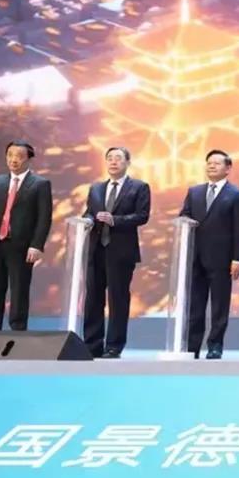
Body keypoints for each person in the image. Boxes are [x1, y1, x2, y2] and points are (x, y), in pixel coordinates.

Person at [81, 147, 150, 359]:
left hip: (121, 251)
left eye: (118, 158)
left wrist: (115, 220)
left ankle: (114, 346)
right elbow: (89, 213)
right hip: (96, 251)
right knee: (93, 298)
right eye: (109, 158)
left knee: (118, 299)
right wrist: (86, 221)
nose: (113, 162)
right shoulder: (96, 188)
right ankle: (92, 344)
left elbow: (142, 216)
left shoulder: (139, 187)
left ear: (128, 162)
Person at [0, 141, 53, 331]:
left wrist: (37, 245)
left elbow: (44, 217)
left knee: (19, 291)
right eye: (10, 155)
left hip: (22, 247)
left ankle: (17, 331)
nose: (13, 159)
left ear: (29, 159)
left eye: (19, 156)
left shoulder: (40, 184)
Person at [180, 150, 239, 359]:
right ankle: (192, 346)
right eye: (209, 163)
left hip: (222, 260)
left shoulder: (237, 195)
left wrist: (238, 258)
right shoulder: (194, 192)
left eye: (217, 163)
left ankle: (215, 345)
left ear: (228, 169)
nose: (211, 166)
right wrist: (183, 221)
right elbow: (184, 216)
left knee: (219, 306)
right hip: (195, 258)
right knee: (194, 305)